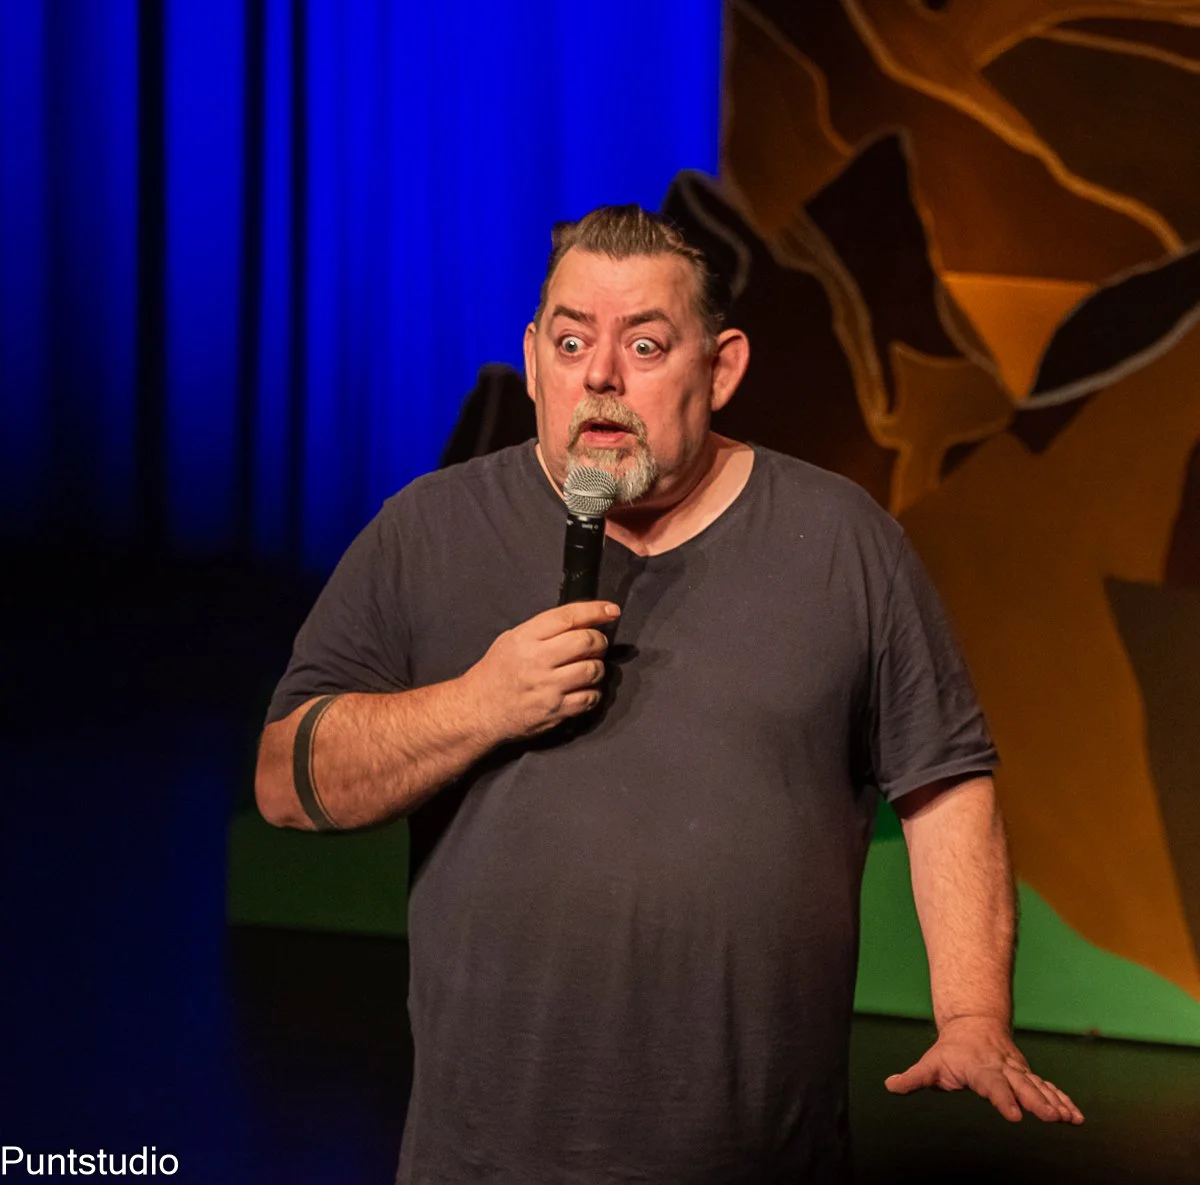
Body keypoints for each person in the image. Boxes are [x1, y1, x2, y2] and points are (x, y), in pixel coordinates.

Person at [255, 205, 1083, 1183]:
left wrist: (974, 1014)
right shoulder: (426, 532)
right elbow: (286, 781)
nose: (600, 375)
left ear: (721, 369)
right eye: (571, 343)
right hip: (484, 1159)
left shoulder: (842, 543)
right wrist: (479, 703)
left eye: (644, 345)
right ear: (533, 361)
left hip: (757, 1158)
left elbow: (945, 784)